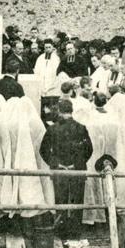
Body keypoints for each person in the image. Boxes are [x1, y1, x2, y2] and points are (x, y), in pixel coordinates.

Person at [39, 99, 93, 233]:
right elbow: (89, 149)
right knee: (77, 200)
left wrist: (56, 164)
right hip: (77, 170)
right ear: (71, 110)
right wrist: (77, 164)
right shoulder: (81, 128)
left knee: (61, 199)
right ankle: (75, 230)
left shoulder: (53, 129)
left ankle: (61, 229)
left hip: (59, 169)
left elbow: (43, 150)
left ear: (59, 111)